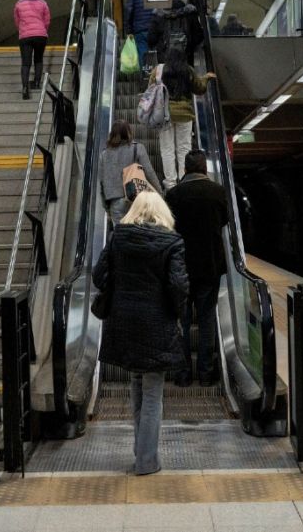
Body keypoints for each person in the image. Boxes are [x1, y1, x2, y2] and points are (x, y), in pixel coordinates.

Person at [94, 191, 188, 475]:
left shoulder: (117, 239)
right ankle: (147, 460)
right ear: (162, 212)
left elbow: (100, 277)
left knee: (136, 384)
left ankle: (141, 452)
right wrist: (179, 314)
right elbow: (179, 287)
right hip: (156, 323)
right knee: (152, 392)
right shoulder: (172, 242)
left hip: (123, 321)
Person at [165, 150, 228, 386]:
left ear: (185, 169)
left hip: (181, 267)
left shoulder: (174, 194)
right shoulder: (218, 192)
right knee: (206, 319)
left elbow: (168, 226)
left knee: (181, 320)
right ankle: (205, 373)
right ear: (204, 169)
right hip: (210, 266)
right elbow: (224, 220)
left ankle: (182, 374)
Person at [153, 47, 214, 189]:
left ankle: (170, 183)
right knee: (184, 148)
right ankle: (183, 179)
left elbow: (151, 88)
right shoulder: (188, 70)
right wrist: (206, 78)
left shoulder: (159, 70)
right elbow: (199, 88)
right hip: (184, 114)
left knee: (167, 149)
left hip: (164, 114)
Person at [99, 120, 162, 227]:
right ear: (128, 132)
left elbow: (101, 183)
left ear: (112, 134)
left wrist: (106, 207)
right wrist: (159, 192)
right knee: (141, 235)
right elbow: (149, 172)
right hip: (137, 199)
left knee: (123, 239)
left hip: (116, 203)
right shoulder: (137, 148)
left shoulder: (104, 155)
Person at [14, 0, 51, 100]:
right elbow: (47, 21)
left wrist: (24, 30)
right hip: (40, 35)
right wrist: (41, 30)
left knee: (25, 63)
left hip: (25, 36)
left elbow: (17, 21)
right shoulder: (43, 3)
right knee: (38, 59)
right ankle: (36, 83)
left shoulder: (19, 4)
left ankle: (25, 88)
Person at [124, 0, 153, 67]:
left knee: (143, 55)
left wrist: (128, 30)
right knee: (157, 55)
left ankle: (145, 77)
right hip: (155, 27)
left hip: (140, 28)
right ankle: (157, 77)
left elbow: (129, 9)